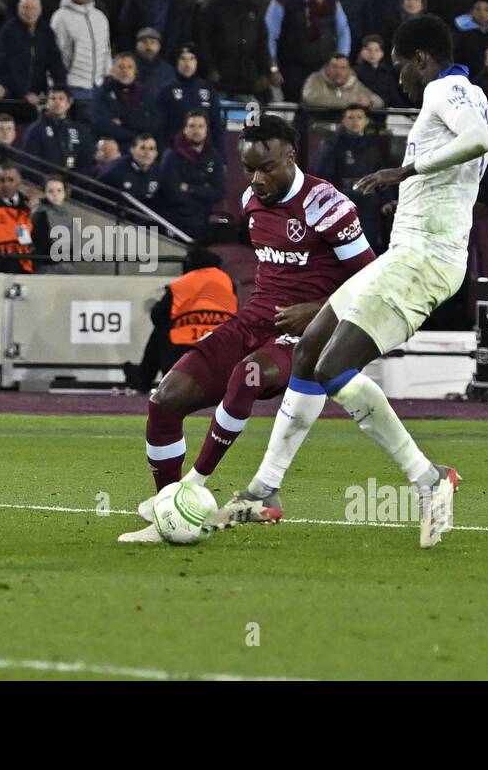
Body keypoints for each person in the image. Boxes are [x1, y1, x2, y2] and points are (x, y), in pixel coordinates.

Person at [220, 14, 488, 549]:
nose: (397, 79)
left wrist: (408, 172)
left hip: (425, 262)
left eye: (399, 65)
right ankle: (264, 491)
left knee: (333, 366)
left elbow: (477, 136)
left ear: (419, 58)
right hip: (405, 256)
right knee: (308, 354)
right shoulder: (473, 104)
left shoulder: (450, 90)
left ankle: (429, 478)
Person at [116, 115, 377, 543]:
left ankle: (193, 488)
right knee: (166, 399)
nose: (256, 179)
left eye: (267, 167)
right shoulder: (252, 202)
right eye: (249, 168)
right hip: (255, 319)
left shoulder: (327, 205)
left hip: (310, 334)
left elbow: (371, 281)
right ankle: (168, 512)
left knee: (247, 375)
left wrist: (315, 310)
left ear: (291, 158)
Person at [121, 246, 237, 391]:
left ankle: (143, 378)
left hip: (181, 358)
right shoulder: (228, 283)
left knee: (161, 329)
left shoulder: (182, 284)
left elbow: (157, 316)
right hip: (221, 351)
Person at [155, 110, 226, 242]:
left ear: (206, 130)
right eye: (192, 126)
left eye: (201, 126)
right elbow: (173, 193)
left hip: (203, 217)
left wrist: (189, 188)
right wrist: (204, 190)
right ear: (185, 129)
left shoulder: (213, 155)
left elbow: (219, 192)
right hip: (175, 218)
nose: (196, 130)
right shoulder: (171, 155)